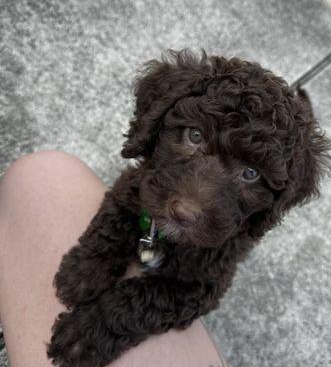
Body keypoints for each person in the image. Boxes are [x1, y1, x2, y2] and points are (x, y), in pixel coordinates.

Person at [0, 151, 227, 367]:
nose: (187, 209)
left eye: (249, 173)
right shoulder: (139, 189)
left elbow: (199, 292)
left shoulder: (217, 255)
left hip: (196, 255)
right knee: (41, 169)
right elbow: (119, 204)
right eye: (194, 136)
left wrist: (110, 321)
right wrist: (101, 251)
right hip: (150, 222)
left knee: (37, 170)